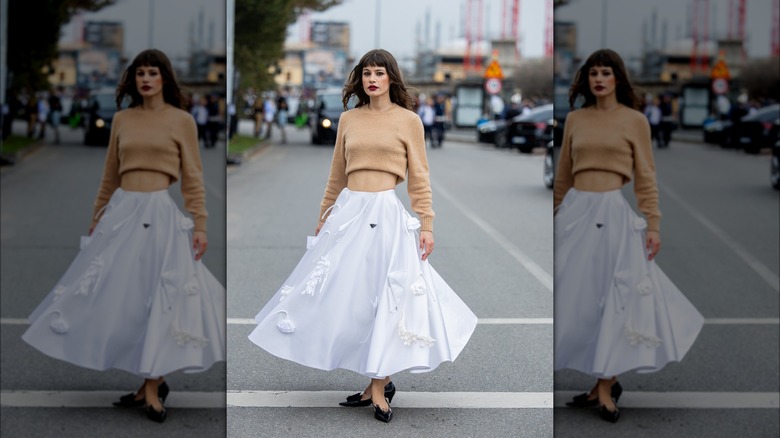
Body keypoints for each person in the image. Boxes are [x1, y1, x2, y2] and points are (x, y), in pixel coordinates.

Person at [248, 49, 478, 423]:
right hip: (348, 213)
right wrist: (324, 216)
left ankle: (378, 386)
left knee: (387, 298)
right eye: (366, 73)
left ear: (391, 79)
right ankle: (375, 383)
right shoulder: (348, 120)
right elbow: (336, 175)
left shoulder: (409, 121)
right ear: (361, 79)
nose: (372, 79)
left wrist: (428, 223)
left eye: (379, 73)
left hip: (386, 214)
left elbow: (420, 178)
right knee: (351, 297)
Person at [21, 49, 226, 423]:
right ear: (133, 80)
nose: (146, 79)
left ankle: (152, 385)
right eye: (140, 73)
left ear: (165, 78)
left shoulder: (181, 121)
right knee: (123, 299)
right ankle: (146, 381)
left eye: (153, 73)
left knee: (159, 299)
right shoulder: (122, 119)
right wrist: (97, 217)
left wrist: (200, 223)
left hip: (159, 214)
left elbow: (193, 178)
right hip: (120, 214)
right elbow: (109, 176)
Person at [553, 49, 703, 423]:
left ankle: (605, 384)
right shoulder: (575, 118)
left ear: (618, 78)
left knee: (616, 298)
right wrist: (554, 215)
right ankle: (597, 382)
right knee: (578, 299)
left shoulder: (635, 121)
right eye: (593, 73)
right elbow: (563, 174)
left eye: (606, 72)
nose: (599, 79)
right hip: (574, 213)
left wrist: (653, 223)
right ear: (586, 80)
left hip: (612, 213)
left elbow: (646, 176)